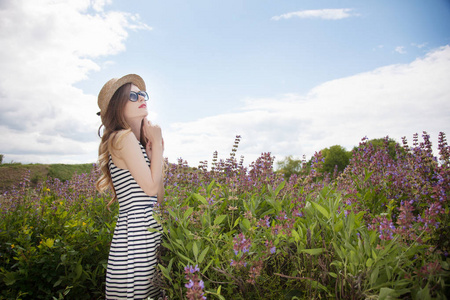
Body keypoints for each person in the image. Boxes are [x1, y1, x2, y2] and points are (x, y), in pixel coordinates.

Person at [96, 74, 164, 299]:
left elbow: (158, 198)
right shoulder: (122, 138)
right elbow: (151, 190)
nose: (141, 98)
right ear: (118, 106)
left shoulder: (137, 143)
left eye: (142, 94)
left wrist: (154, 152)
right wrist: (160, 143)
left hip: (150, 227)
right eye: (132, 96)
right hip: (136, 233)